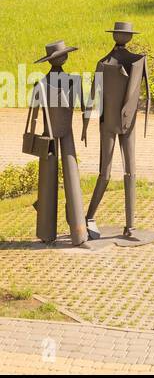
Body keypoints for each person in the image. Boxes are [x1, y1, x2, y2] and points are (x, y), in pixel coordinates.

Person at [83, 21, 150, 241]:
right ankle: (89, 216)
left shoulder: (138, 61)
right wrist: (85, 124)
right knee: (106, 172)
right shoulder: (104, 64)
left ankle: (130, 226)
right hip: (110, 124)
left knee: (131, 172)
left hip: (127, 123)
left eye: (125, 34)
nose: (124, 38)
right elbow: (93, 94)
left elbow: (146, 93)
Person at [26, 42, 88, 247]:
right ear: (65, 58)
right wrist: (85, 129)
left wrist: (31, 136)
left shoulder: (41, 83)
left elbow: (33, 115)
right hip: (66, 133)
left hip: (48, 136)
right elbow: (85, 109)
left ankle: (46, 232)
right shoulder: (74, 81)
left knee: (47, 183)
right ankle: (79, 232)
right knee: (72, 179)